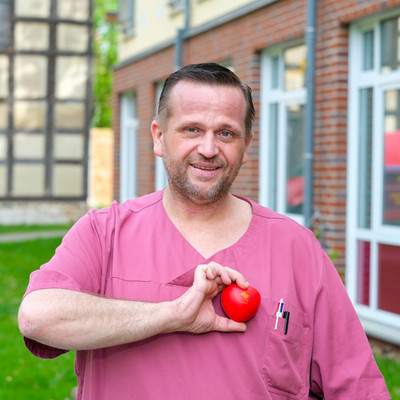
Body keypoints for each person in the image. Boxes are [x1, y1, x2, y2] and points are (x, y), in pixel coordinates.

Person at [18, 63, 390, 400]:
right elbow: (38, 317)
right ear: (159, 137)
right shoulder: (104, 233)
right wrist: (171, 315)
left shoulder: (296, 247)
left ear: (245, 146)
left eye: (226, 133)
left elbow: (357, 386)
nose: (209, 148)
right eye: (192, 129)